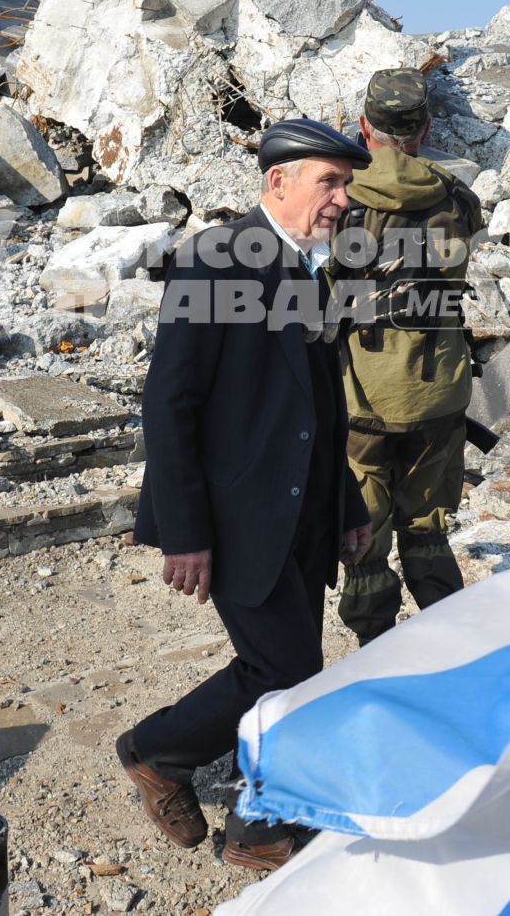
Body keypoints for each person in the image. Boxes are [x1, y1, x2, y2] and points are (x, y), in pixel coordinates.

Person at [117, 117, 375, 872]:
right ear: (277, 182)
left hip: (298, 512)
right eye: (330, 181)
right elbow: (169, 403)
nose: (342, 199)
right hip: (235, 518)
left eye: (346, 184)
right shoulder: (216, 261)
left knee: (288, 667)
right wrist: (185, 531)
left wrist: (349, 505)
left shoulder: (306, 268)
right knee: (284, 671)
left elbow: (320, 406)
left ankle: (240, 807)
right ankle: (167, 758)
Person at [330, 69, 483, 645]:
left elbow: (320, 297)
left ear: (364, 125)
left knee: (365, 534)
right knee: (428, 526)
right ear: (425, 127)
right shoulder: (458, 197)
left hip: (364, 393)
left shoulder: (342, 196)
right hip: (438, 388)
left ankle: (376, 652)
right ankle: (449, 646)